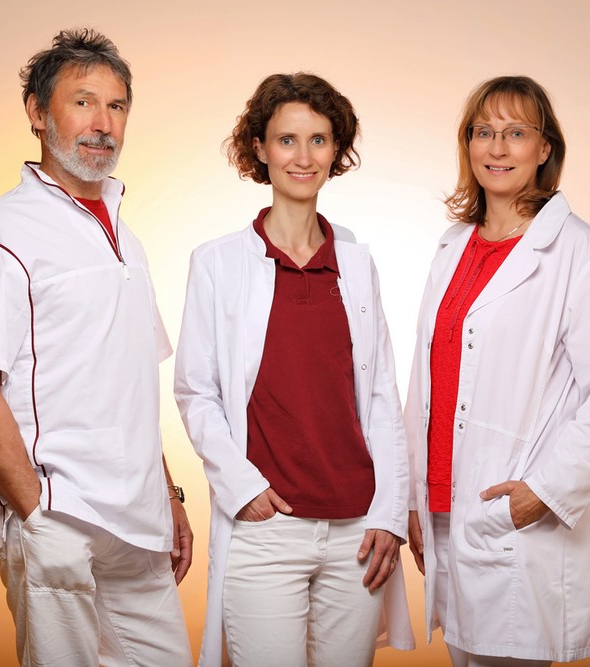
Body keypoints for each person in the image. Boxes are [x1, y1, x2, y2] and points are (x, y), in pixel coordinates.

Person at [0, 28, 192, 667]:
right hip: (58, 516)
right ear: (37, 113)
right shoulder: (0, 233)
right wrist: (35, 514)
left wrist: (168, 495)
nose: (103, 123)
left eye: (118, 105)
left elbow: (126, 380)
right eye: (83, 102)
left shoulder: (126, 237)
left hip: (138, 521)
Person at [174, 72, 415, 666]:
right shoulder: (218, 264)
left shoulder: (357, 265)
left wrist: (388, 512)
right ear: (259, 147)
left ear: (336, 151)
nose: (303, 157)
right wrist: (245, 489)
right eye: (287, 140)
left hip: (357, 527)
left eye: (319, 140)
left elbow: (382, 398)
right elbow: (195, 392)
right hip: (268, 525)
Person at [404, 75, 590, 666]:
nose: (497, 149)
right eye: (483, 132)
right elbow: (425, 383)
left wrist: (543, 494)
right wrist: (413, 493)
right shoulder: (452, 247)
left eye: (516, 133)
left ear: (545, 148)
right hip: (445, 509)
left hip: (512, 510)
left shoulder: (574, 249)